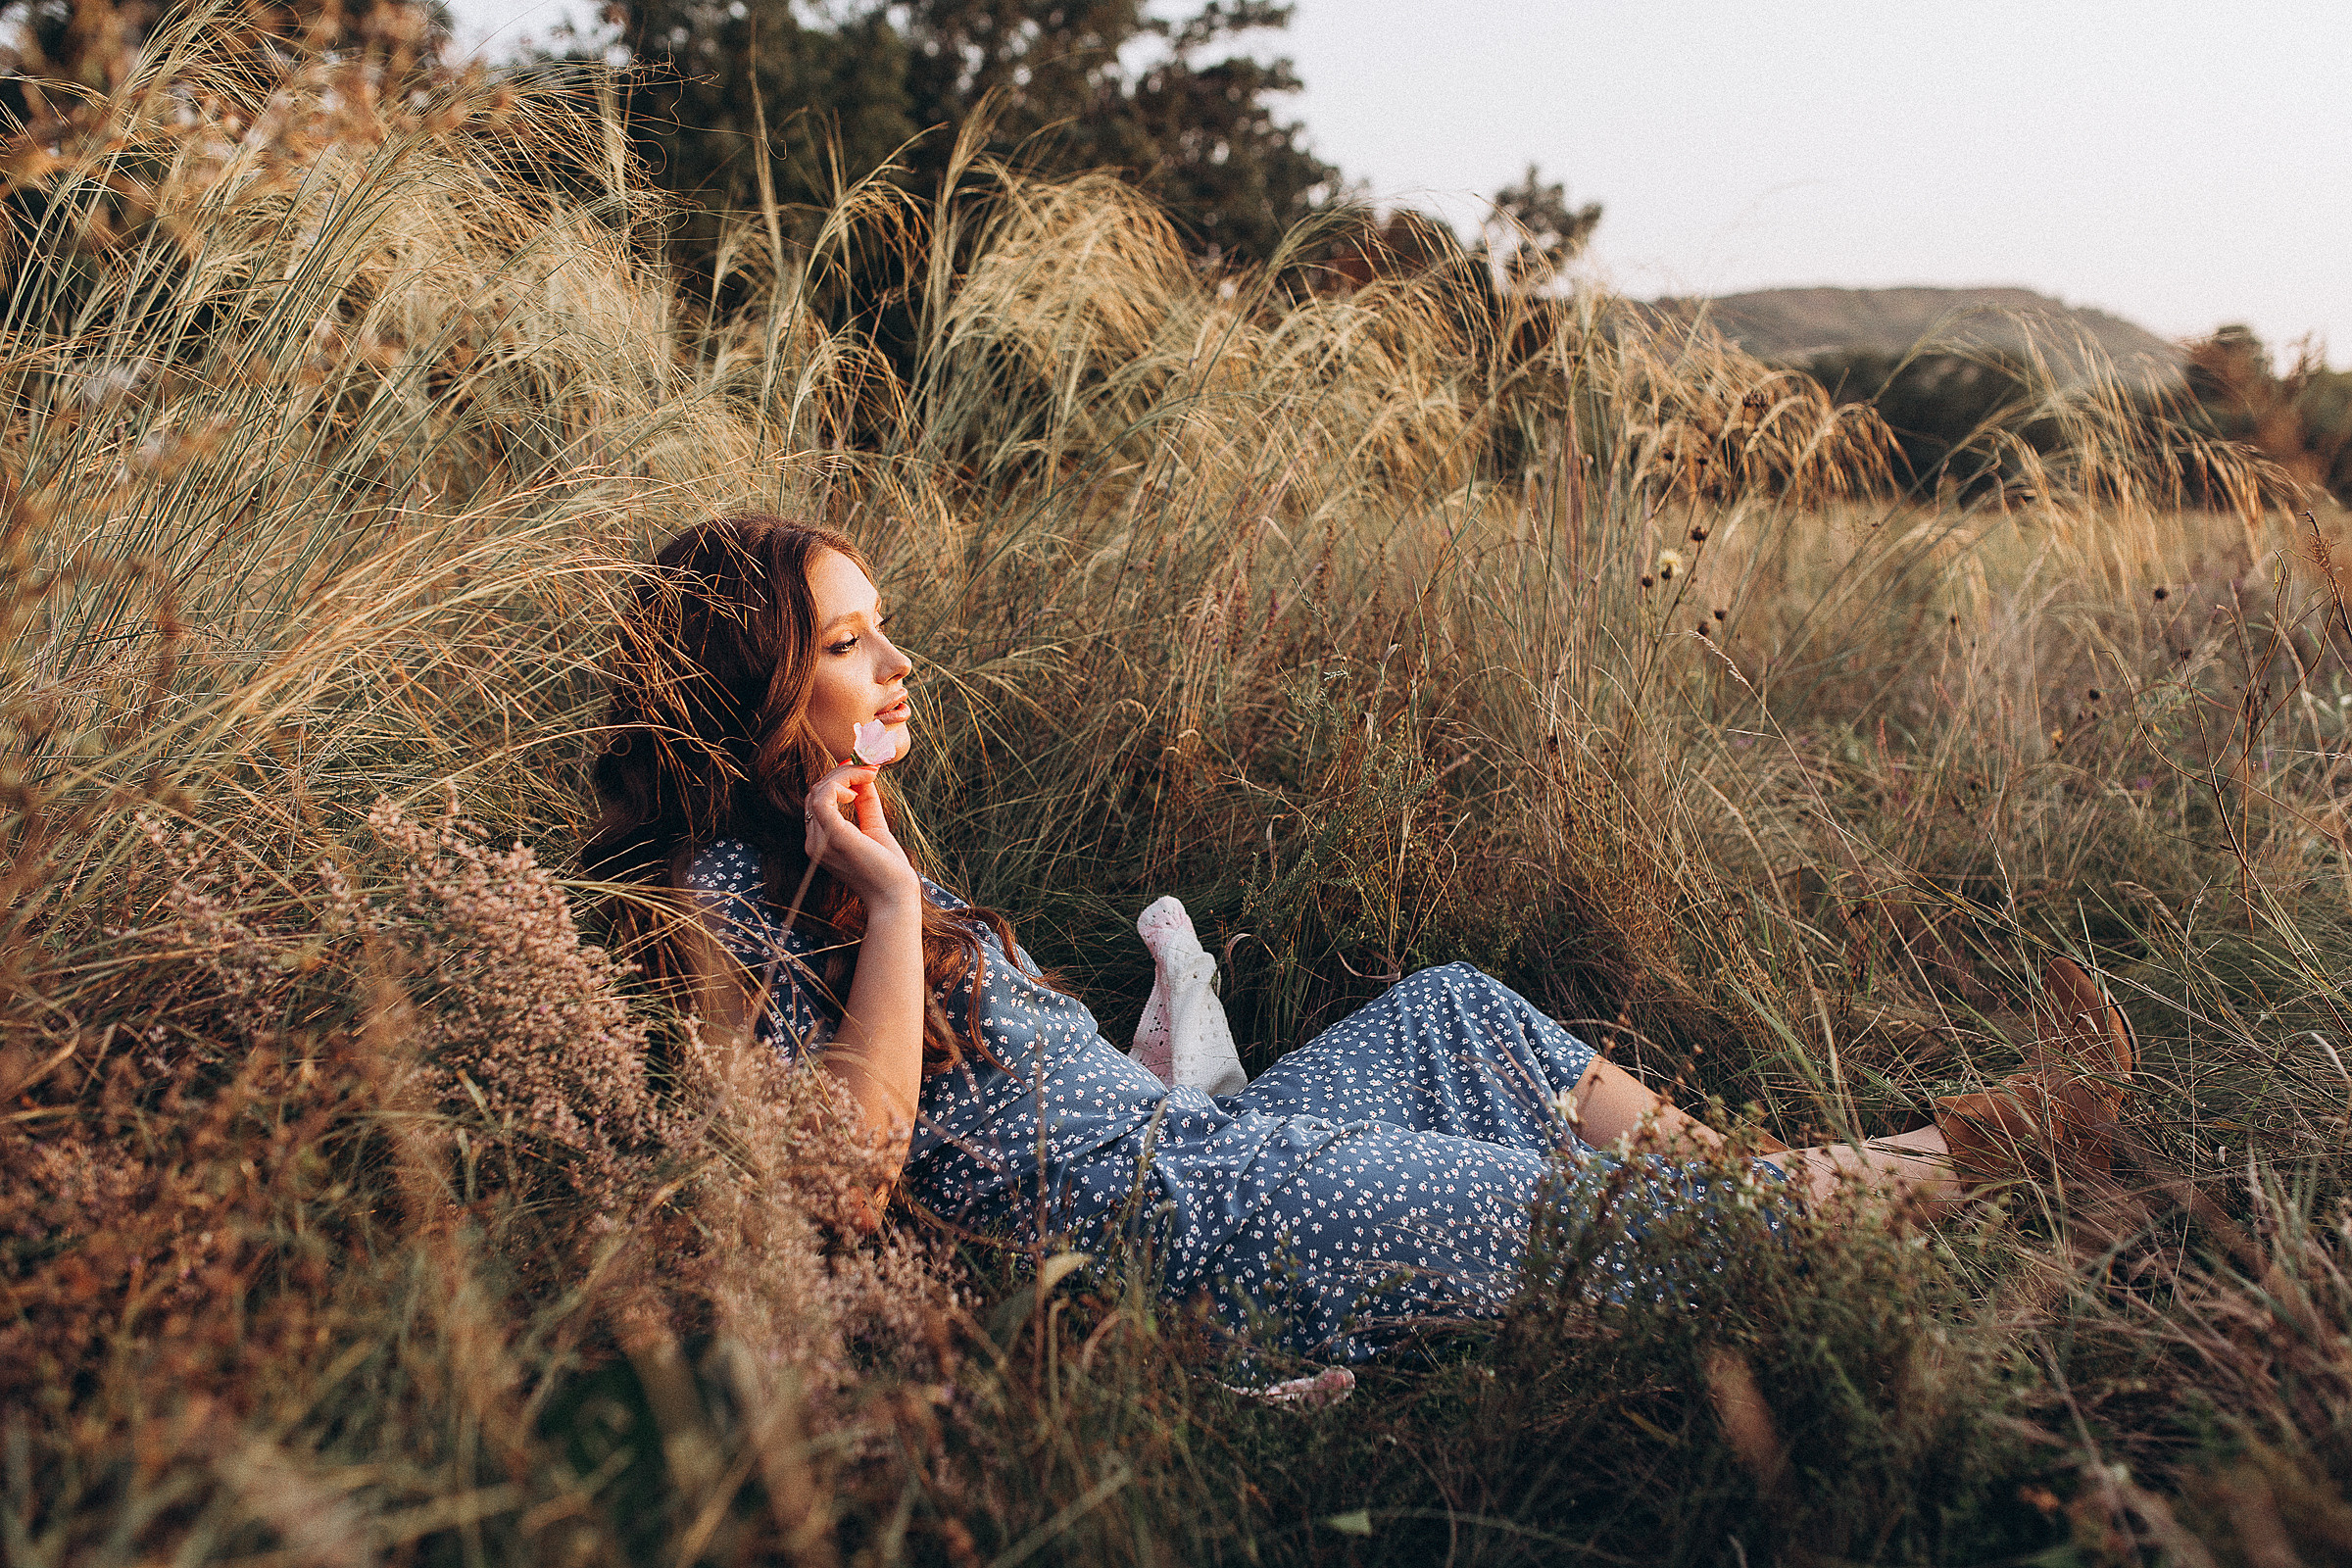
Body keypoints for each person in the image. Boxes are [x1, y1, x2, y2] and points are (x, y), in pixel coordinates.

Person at [584, 515, 2136, 1363]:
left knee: (1456, 1013)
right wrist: (903, 909)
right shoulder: (727, 899)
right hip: (1173, 1236)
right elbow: (843, 1188)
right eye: (851, 642)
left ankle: (1783, 1189)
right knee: (1581, 1221)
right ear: (757, 679)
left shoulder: (823, 841)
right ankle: (1978, 1160)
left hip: (1196, 1154)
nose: (900, 658)